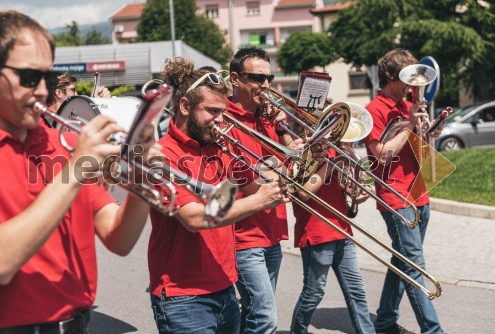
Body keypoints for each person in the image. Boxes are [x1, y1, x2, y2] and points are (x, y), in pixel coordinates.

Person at [0, 10, 158, 333]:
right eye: (29, 78)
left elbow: (119, 239)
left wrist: (141, 180)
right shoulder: (76, 159)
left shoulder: (64, 144)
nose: (42, 91)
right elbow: (1, 261)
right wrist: (77, 169)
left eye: (48, 78)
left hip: (76, 323)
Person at [148, 57, 290, 334]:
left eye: (223, 111)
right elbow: (194, 218)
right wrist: (259, 201)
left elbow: (253, 188)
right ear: (185, 106)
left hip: (225, 285)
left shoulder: (218, 147)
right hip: (183, 296)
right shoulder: (163, 155)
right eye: (212, 111)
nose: (221, 120)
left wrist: (300, 158)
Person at [226, 46, 327, 334]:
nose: (266, 85)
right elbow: (249, 180)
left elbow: (291, 178)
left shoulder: (267, 119)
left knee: (252, 318)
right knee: (265, 320)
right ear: (235, 79)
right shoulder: (225, 121)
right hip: (245, 238)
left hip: (272, 232)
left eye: (269, 79)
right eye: (258, 78)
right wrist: (287, 159)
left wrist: (291, 143)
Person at [363, 48, 444, 334]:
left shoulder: (410, 103)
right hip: (394, 197)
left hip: (419, 192)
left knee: (402, 262)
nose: (413, 83)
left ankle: (384, 320)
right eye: (406, 76)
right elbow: (382, 155)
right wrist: (409, 124)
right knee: (415, 267)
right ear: (389, 76)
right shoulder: (374, 110)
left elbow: (423, 154)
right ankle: (433, 330)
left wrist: (428, 131)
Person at [289, 148, 375, 334]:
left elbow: (346, 188)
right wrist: (333, 163)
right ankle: (297, 331)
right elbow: (304, 192)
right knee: (314, 292)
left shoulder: (337, 150)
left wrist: (360, 191)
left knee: (356, 292)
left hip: (342, 230)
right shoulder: (300, 152)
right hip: (317, 231)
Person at [46, 73, 111, 113]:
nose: (76, 94)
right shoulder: (43, 119)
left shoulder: (75, 114)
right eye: (73, 90)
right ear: (59, 93)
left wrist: (100, 101)